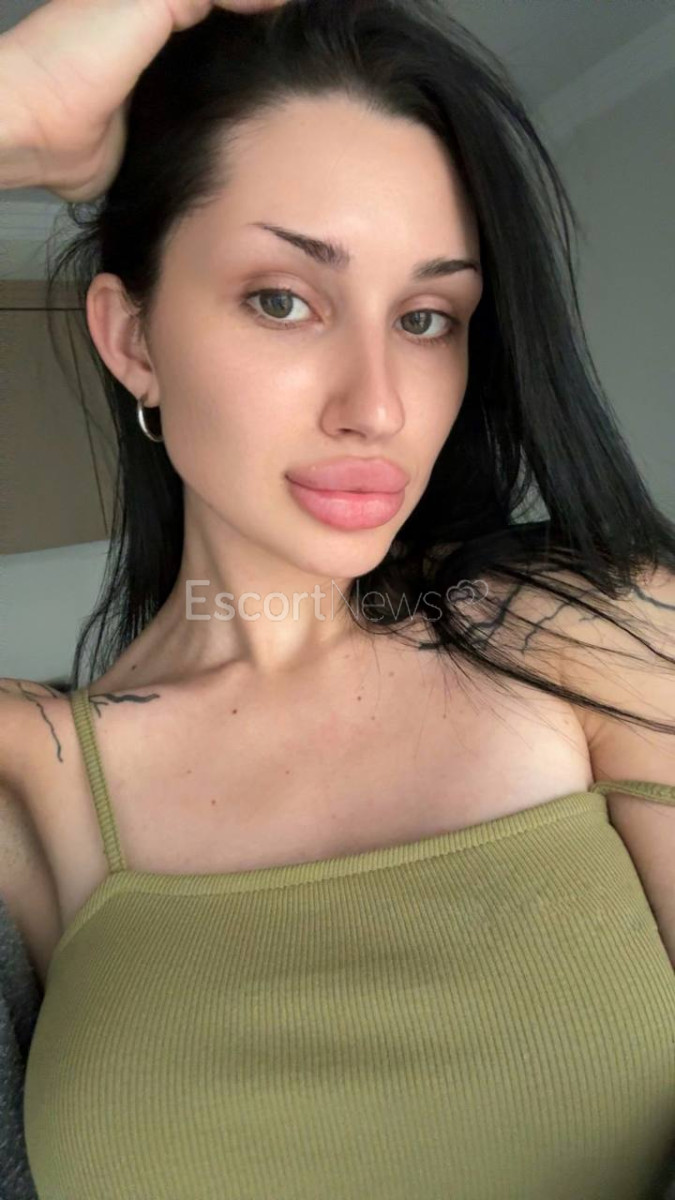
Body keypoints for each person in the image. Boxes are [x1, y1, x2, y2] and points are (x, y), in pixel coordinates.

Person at [1, 0, 674, 1196]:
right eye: (284, 299)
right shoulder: (38, 777)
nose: (378, 404)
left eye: (426, 318)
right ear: (134, 339)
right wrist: (20, 110)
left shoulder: (601, 631)